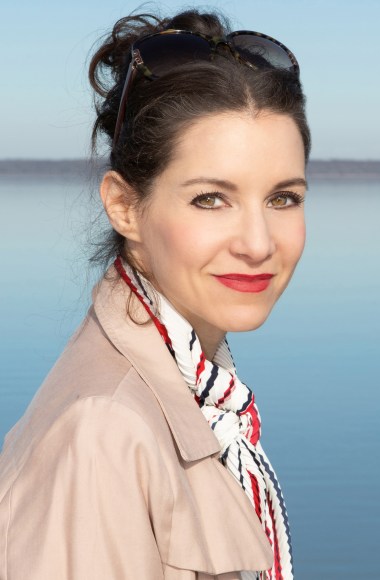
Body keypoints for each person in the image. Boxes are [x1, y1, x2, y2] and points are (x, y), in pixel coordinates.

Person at [0, 8, 310, 580]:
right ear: (125, 207)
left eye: (283, 198)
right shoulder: (104, 432)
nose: (258, 243)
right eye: (210, 199)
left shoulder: (197, 390)